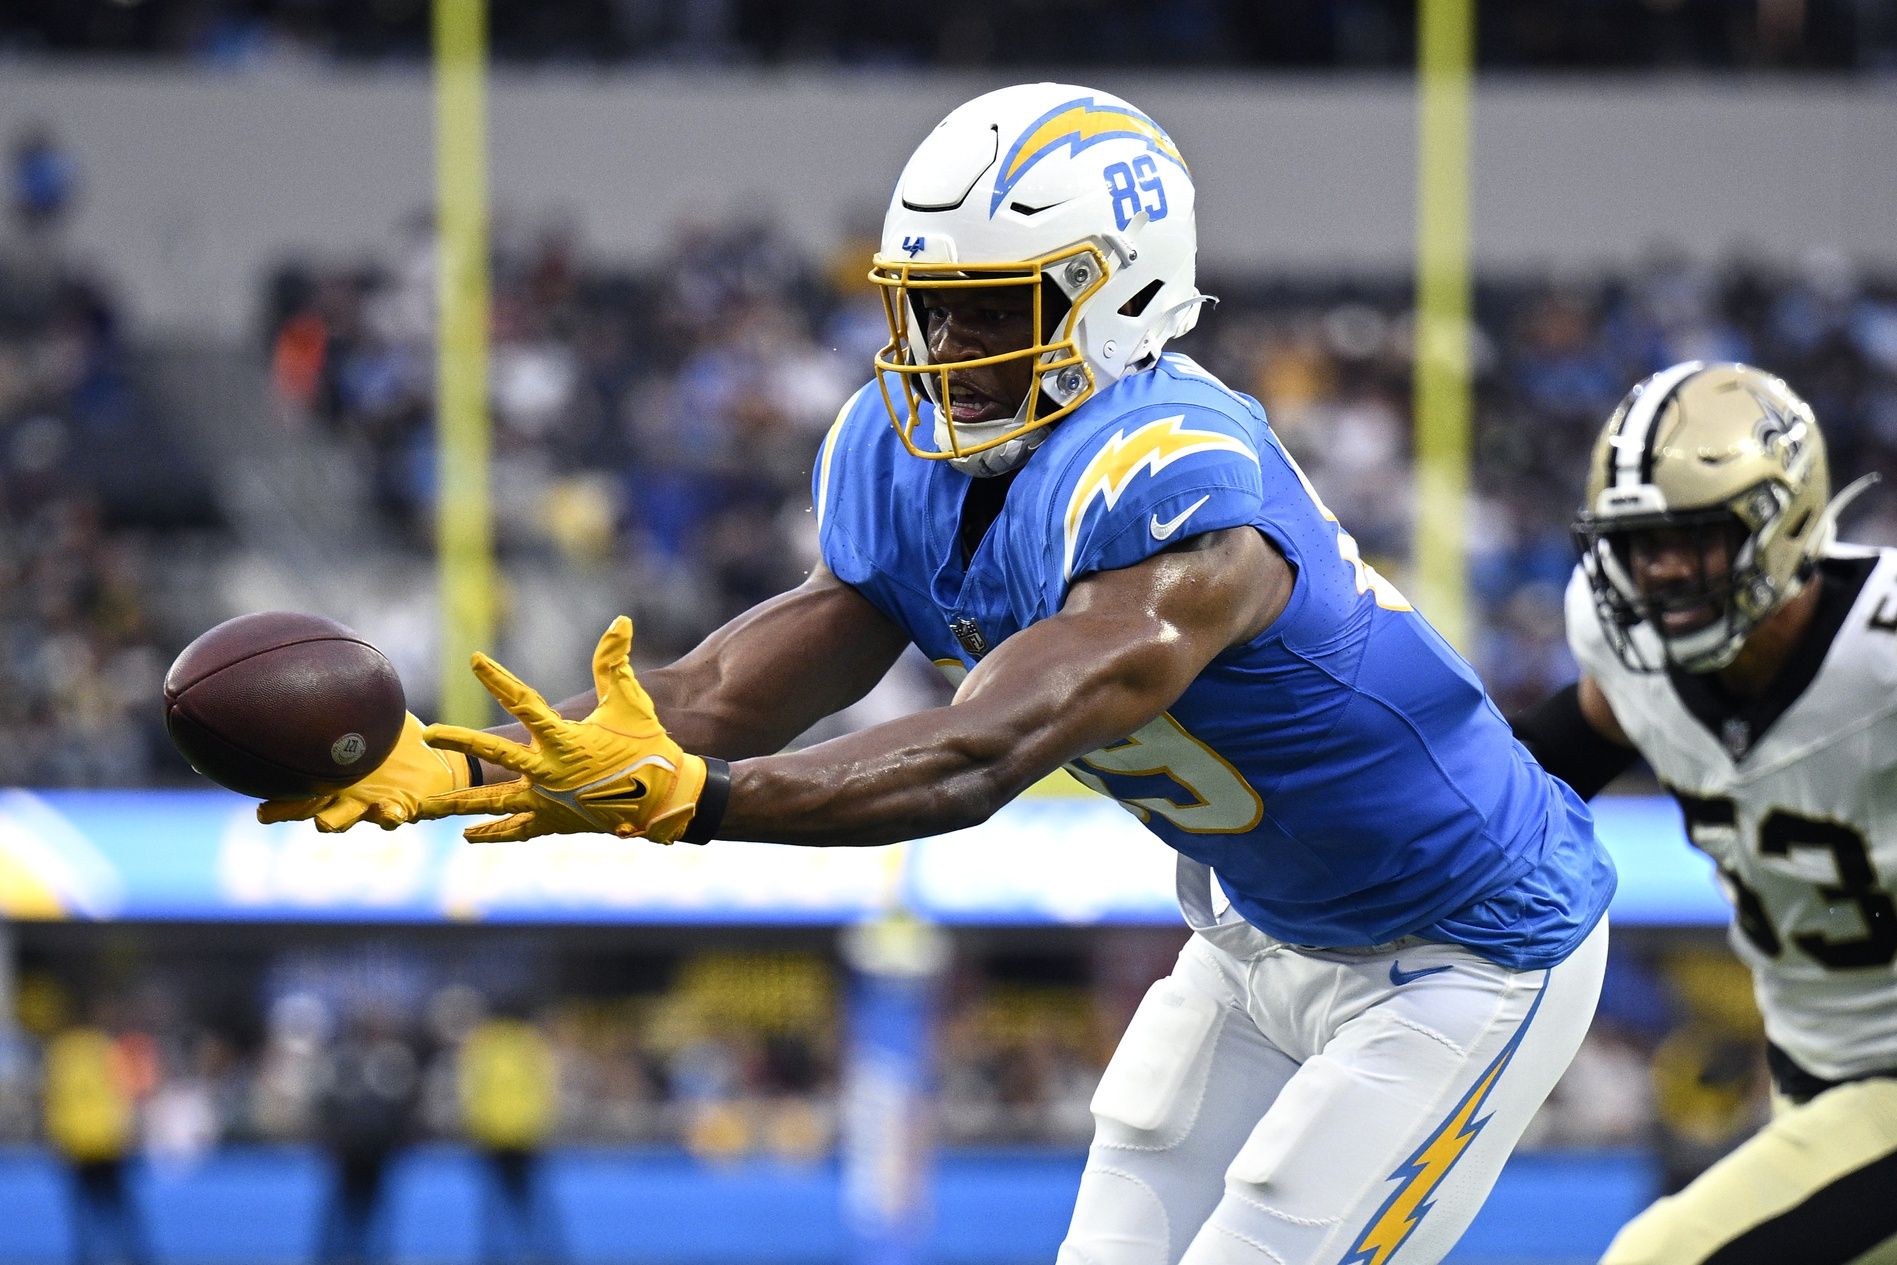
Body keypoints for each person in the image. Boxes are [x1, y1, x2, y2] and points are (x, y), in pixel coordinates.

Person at [260, 83, 1616, 1265]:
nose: (946, 357)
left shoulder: (1186, 486)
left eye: (989, 313)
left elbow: (982, 751)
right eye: (930, 312)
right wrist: (471, 759)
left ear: (1121, 297)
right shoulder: (903, 453)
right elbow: (727, 689)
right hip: (1258, 930)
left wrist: (701, 801)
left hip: (1465, 944)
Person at [1507, 361, 1897, 1264]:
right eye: (1641, 543)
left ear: (1780, 521)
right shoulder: (1630, 659)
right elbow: (1564, 747)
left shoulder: (1878, 656)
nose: (1665, 568)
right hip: (1818, 1075)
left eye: (1695, 538)